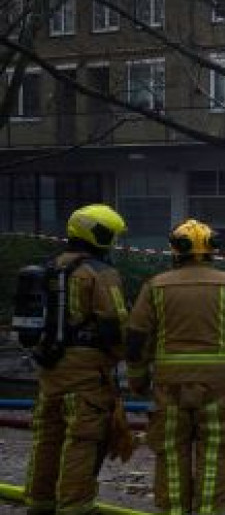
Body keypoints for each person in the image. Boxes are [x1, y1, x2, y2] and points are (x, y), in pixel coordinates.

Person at [126, 219, 225, 515]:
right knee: (215, 453)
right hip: (218, 387)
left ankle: (174, 510)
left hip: (168, 387)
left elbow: (137, 337)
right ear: (213, 252)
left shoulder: (155, 287)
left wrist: (137, 380)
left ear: (175, 252)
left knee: (171, 453)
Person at [24, 204, 129, 515]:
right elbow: (114, 323)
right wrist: (127, 358)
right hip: (86, 373)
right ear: (98, 234)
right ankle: (75, 507)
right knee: (83, 439)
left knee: (47, 437)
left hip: (49, 369)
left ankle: (40, 503)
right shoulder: (100, 273)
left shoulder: (49, 267)